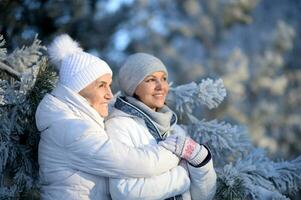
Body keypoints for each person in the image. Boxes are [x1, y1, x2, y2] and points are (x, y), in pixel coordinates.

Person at [35, 35, 191, 199]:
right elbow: (138, 163)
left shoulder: (77, 121)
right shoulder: (71, 130)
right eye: (102, 85)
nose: (110, 95)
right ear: (79, 90)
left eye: (109, 85)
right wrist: (180, 154)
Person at [105, 53, 217, 200]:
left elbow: (204, 197)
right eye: (151, 80)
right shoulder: (119, 126)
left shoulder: (175, 129)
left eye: (163, 78)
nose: (161, 87)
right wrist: (184, 175)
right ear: (133, 87)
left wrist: (201, 162)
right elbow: (125, 192)